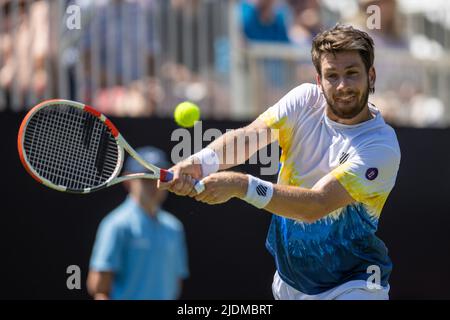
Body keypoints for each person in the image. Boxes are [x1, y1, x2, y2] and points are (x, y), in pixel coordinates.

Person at [160, 24, 401, 300]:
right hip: (289, 283)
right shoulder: (303, 100)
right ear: (319, 81)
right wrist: (197, 163)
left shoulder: (381, 146)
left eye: (352, 74)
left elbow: (316, 204)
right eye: (332, 76)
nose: (343, 85)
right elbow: (249, 138)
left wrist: (241, 185)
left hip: (355, 285)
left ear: (371, 76)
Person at [87, 146, 189, 300]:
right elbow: (99, 288)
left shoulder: (174, 228)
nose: (155, 185)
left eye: (161, 178)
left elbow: (175, 282)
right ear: (128, 180)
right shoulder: (116, 225)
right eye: (147, 178)